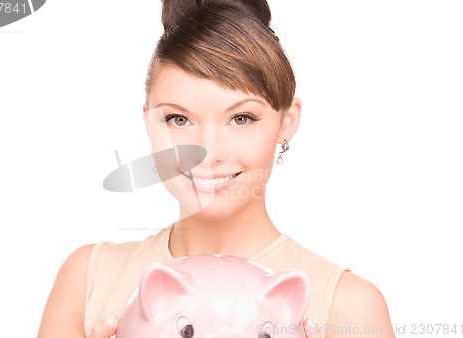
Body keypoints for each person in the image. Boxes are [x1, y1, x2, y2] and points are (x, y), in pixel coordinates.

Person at [37, 0, 394, 337]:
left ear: (287, 121)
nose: (207, 153)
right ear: (148, 122)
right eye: (179, 119)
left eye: (241, 118)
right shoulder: (88, 279)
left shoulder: (347, 307)